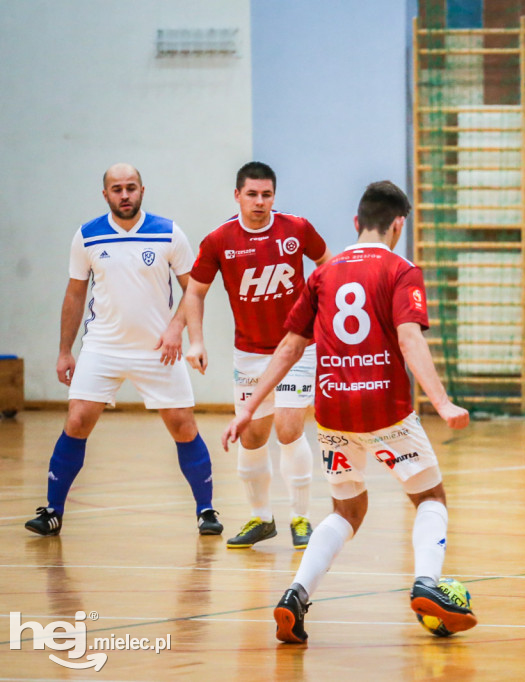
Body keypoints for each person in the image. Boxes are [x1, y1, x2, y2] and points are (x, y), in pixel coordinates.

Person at [221, 180, 476, 643]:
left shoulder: (325, 272)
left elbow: (288, 347)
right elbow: (409, 338)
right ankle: (427, 584)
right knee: (430, 499)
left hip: (333, 411)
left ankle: (296, 594)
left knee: (347, 508)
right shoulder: (401, 269)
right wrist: (441, 401)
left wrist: (249, 408)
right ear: (399, 224)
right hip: (386, 408)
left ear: (357, 223)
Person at [25, 163, 221, 537]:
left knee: (183, 425)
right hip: (102, 346)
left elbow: (194, 289)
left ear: (142, 190)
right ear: (106, 195)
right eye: (117, 189)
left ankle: (206, 510)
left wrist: (176, 329)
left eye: (131, 187)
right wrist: (65, 351)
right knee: (78, 419)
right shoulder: (87, 236)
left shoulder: (169, 233)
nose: (125, 195)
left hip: (158, 349)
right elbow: (74, 294)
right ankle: (52, 511)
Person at [184, 162, 332, 550]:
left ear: (274, 196)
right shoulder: (219, 239)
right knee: (251, 436)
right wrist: (196, 341)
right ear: (237, 195)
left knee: (288, 427)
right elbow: (195, 292)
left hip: (297, 346)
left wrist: (323, 314)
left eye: (266, 194)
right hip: (248, 353)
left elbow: (328, 266)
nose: (260, 202)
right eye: (252, 194)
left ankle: (301, 517)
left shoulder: (296, 229)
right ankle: (261, 518)